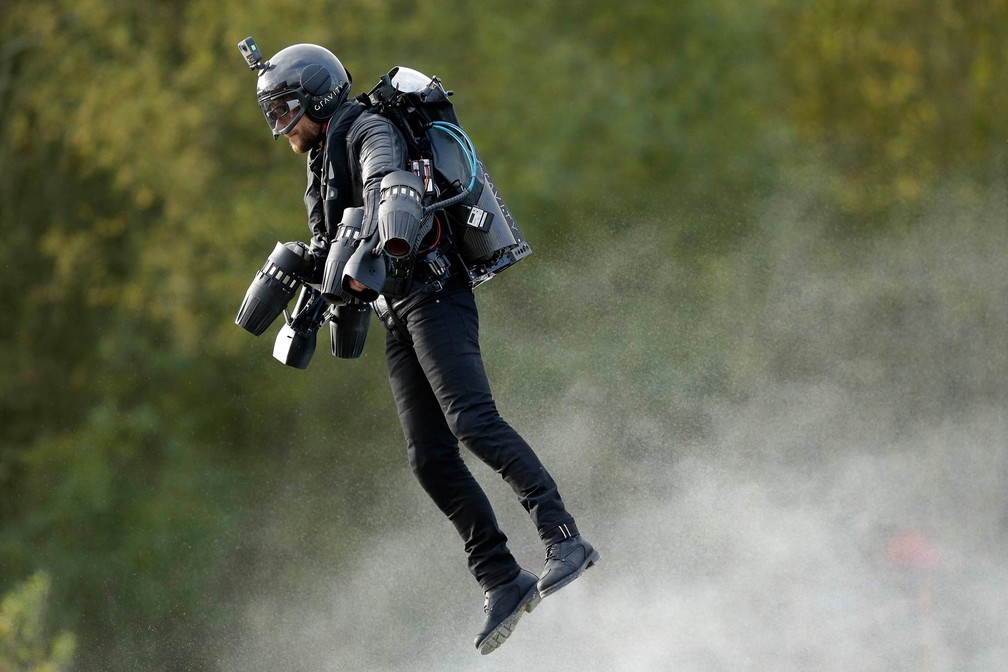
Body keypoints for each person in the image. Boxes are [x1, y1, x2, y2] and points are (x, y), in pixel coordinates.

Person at [247, 42, 599, 654]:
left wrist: (374, 235)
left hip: (436, 294)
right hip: (399, 311)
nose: (280, 126)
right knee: (429, 459)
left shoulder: (368, 130)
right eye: (272, 113)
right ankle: (501, 577)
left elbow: (389, 187)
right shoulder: (322, 161)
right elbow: (330, 240)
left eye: (285, 110)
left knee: (472, 421)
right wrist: (303, 273)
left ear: (318, 100)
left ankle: (564, 537)